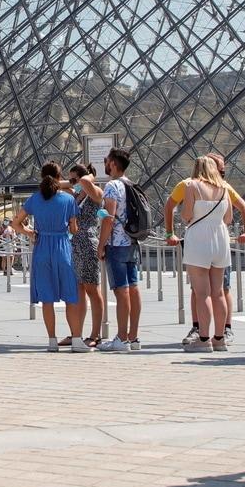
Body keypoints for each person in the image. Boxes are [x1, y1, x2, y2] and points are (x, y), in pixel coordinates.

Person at [169, 152, 245, 346]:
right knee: (219, 292)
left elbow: (187, 214)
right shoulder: (224, 188)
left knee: (202, 293)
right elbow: (229, 219)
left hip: (199, 239)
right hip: (220, 238)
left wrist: (190, 216)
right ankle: (220, 337)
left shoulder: (191, 186)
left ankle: (204, 338)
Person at [13, 162, 82, 352]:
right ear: (60, 177)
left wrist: (29, 233)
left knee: (47, 298)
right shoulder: (68, 200)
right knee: (70, 296)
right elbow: (74, 229)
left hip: (42, 246)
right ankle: (76, 339)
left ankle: (52, 341)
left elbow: (15, 222)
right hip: (62, 247)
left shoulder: (34, 199)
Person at [97, 148, 141, 353]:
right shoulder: (131, 184)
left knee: (121, 291)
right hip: (133, 242)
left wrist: (101, 244)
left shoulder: (112, 186)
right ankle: (133, 337)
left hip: (117, 243)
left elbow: (109, 218)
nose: (105, 164)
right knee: (133, 289)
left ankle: (121, 339)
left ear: (113, 163)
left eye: (107, 161)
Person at [65, 163, 103, 349]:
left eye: (74, 179)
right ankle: (76, 334)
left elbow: (86, 181)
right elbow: (57, 184)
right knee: (78, 291)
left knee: (92, 291)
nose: (71, 183)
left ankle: (95, 334)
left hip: (88, 243)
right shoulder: (76, 195)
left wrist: (88, 176)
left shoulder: (95, 192)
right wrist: (73, 182)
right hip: (74, 244)